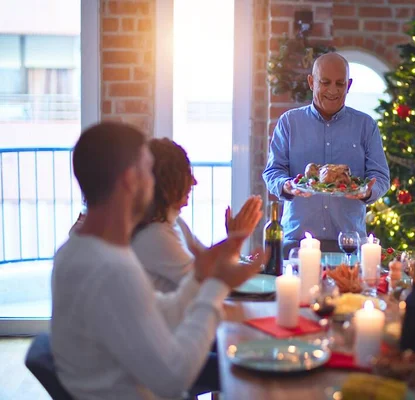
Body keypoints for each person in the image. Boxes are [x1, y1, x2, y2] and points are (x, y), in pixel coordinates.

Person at [51, 121, 265, 399]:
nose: (154, 182)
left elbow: (158, 311)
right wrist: (216, 285)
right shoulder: (110, 268)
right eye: (148, 171)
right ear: (130, 180)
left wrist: (199, 277)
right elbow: (174, 379)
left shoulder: (78, 251)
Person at [262, 52, 390, 254]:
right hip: (297, 240)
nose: (333, 90)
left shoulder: (366, 126)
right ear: (312, 82)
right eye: (325, 82)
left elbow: (381, 177)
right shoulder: (289, 122)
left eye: (340, 84)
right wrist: (285, 185)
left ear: (348, 85)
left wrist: (368, 192)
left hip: (349, 242)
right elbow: (272, 172)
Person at [132, 138, 263, 293]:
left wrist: (233, 240)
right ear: (167, 182)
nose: (194, 182)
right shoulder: (155, 235)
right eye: (186, 174)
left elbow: (207, 262)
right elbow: (209, 284)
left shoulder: (176, 223)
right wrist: (236, 240)